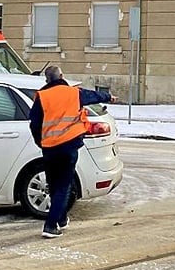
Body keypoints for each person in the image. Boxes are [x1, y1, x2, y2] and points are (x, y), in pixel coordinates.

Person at [29, 65, 116, 238]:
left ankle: (61, 219)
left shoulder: (42, 97)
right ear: (61, 75)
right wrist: (109, 97)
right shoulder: (74, 93)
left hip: (49, 148)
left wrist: (41, 142)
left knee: (54, 185)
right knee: (63, 186)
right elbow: (94, 96)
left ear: (47, 79)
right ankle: (50, 225)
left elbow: (34, 123)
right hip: (68, 147)